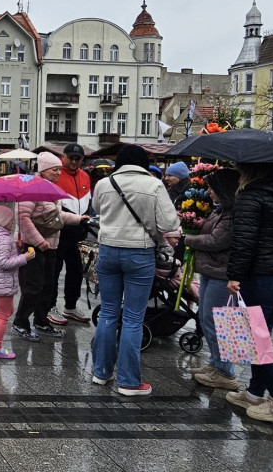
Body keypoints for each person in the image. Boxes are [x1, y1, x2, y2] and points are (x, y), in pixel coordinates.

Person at [90, 145, 180, 396]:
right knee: (132, 318)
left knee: (108, 312)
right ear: (143, 163)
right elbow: (169, 223)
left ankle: (101, 372)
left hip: (107, 250)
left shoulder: (104, 184)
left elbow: (97, 209)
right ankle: (129, 382)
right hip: (139, 253)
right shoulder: (154, 185)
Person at [224, 162, 273, 422]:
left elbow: (244, 241)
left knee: (257, 342)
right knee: (261, 336)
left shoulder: (251, 196)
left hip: (262, 277)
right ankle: (255, 392)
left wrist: (234, 275)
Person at [13, 152, 87, 341]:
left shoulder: (52, 189)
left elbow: (56, 217)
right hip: (32, 246)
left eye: (59, 170)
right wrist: (38, 241)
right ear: (44, 170)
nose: (58, 173)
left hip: (51, 246)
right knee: (33, 287)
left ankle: (41, 321)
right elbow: (22, 218)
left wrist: (79, 219)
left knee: (48, 286)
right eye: (54, 170)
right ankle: (20, 322)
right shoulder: (31, 189)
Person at [183, 168, 240, 391]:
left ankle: (225, 372)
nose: (208, 192)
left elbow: (217, 241)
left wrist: (188, 239)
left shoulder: (232, 214)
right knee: (206, 318)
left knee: (219, 322)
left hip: (221, 274)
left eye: (211, 188)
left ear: (223, 189)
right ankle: (216, 364)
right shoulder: (220, 210)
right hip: (210, 271)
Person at [0, 205, 36, 359]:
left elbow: (3, 254)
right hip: (2, 282)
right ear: (2, 222)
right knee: (4, 315)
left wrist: (15, 247)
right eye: (10, 221)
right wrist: (24, 258)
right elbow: (3, 262)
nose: (12, 223)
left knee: (8, 310)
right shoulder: (3, 238)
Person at [53, 143, 92, 324]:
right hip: (59, 231)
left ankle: (70, 306)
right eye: (71, 158)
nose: (74, 161)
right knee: (53, 271)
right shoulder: (56, 174)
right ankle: (49, 306)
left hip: (79, 232)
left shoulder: (85, 176)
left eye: (78, 159)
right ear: (64, 156)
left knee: (76, 271)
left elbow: (88, 201)